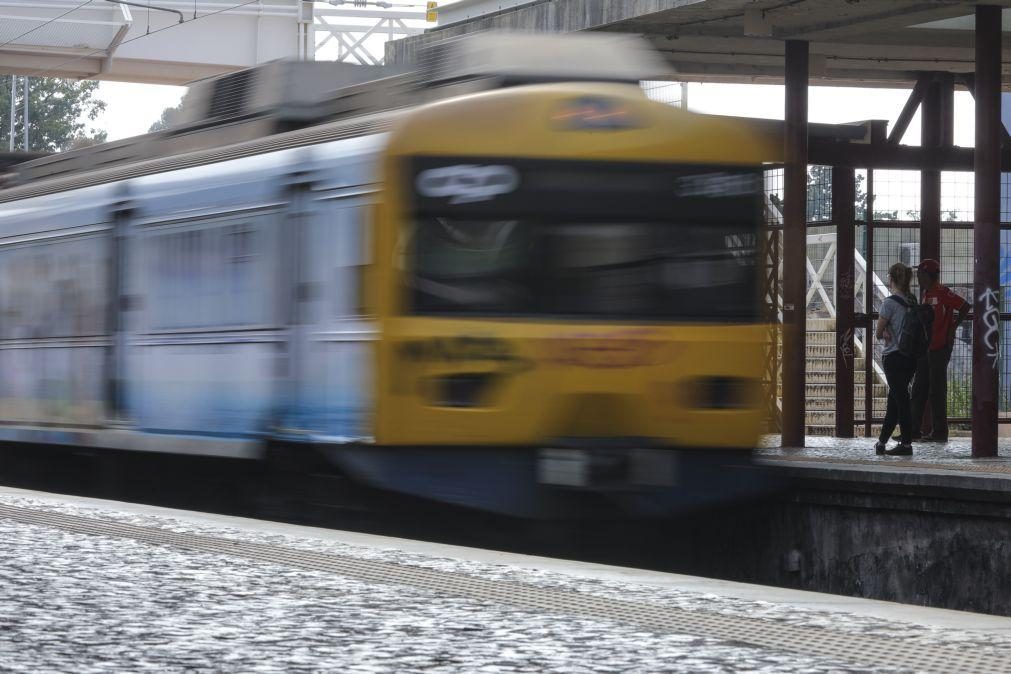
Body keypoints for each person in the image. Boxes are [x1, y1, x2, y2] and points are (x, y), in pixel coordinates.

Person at [909, 258, 969, 443]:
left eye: (919, 274)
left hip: (939, 347)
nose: (917, 277)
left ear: (927, 274)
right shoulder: (926, 294)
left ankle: (940, 432)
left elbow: (965, 306)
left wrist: (952, 327)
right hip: (926, 348)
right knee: (919, 389)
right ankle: (913, 431)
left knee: (936, 390)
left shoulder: (943, 293)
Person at [875, 263, 919, 456]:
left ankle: (906, 444)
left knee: (901, 400)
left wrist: (885, 332)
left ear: (891, 279)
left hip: (893, 357)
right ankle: (881, 442)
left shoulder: (889, 303)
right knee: (895, 400)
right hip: (910, 358)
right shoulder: (913, 300)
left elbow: (878, 332)